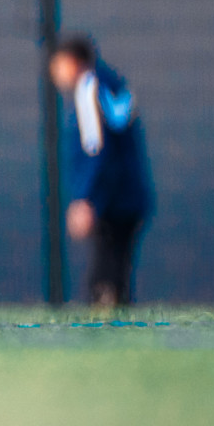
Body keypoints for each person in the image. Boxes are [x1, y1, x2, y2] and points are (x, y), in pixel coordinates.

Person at [47, 35, 155, 307]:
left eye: (58, 65)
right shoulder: (112, 84)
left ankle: (106, 328)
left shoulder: (88, 87)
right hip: (130, 194)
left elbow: (96, 149)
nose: (55, 73)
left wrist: (87, 199)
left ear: (73, 62)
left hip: (110, 200)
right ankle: (120, 331)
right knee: (118, 273)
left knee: (104, 276)